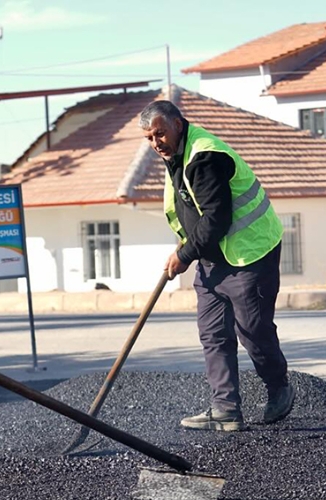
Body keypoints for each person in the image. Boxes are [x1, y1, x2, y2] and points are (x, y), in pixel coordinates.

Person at [139, 100, 294, 432]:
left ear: (178, 124)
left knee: (252, 330)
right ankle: (225, 410)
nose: (156, 143)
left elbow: (217, 218)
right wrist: (190, 249)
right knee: (213, 334)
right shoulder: (175, 157)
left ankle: (279, 387)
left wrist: (184, 254)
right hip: (212, 257)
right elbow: (192, 211)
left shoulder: (205, 157)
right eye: (149, 138)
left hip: (249, 253)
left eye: (160, 133)